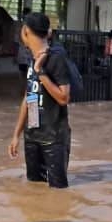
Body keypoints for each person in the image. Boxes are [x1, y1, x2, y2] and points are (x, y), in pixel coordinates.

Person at [7, 12, 72, 189]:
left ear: (26, 31)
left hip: (53, 138)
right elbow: (29, 97)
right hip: (33, 136)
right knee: (35, 189)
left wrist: (40, 71)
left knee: (58, 191)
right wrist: (16, 135)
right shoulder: (31, 57)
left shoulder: (56, 57)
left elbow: (64, 98)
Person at [15, 7, 33, 79]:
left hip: (30, 51)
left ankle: (26, 87)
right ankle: (23, 87)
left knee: (29, 72)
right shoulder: (19, 26)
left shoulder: (33, 26)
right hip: (22, 51)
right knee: (22, 71)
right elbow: (16, 40)